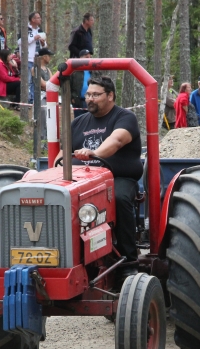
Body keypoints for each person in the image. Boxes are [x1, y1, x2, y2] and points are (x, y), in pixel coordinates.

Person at [54, 76, 142, 275]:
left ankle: (128, 262)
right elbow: (62, 154)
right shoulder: (77, 123)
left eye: (96, 95)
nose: (90, 99)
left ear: (110, 96)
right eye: (88, 94)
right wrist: (55, 171)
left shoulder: (125, 117)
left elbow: (117, 140)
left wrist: (95, 153)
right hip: (80, 180)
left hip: (116, 178)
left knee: (119, 198)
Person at [18, 11, 46, 103]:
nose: (40, 19)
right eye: (38, 18)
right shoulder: (26, 29)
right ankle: (27, 99)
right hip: (28, 59)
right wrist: (34, 38)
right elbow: (20, 42)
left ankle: (34, 99)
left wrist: (43, 43)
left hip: (37, 59)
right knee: (28, 80)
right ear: (33, 19)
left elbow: (45, 46)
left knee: (36, 80)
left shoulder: (40, 30)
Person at [70, 49, 94, 118]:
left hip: (91, 100)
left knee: (91, 119)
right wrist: (72, 97)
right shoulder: (74, 71)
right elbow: (68, 85)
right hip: (78, 101)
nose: (89, 59)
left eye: (90, 57)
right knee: (79, 121)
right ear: (80, 58)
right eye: (86, 57)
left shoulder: (93, 70)